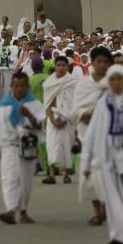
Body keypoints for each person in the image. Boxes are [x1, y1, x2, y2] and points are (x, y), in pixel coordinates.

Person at [83, 65, 123, 244]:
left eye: (119, 79)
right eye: (112, 79)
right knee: (112, 199)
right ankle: (117, 235)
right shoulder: (104, 104)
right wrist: (86, 162)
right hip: (108, 156)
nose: (116, 83)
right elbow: (92, 132)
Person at [0, 71, 45, 225]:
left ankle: (23, 211)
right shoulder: (5, 104)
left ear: (27, 87)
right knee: (9, 178)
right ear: (11, 87)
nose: (19, 89)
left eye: (22, 86)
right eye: (16, 86)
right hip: (9, 146)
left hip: (27, 146)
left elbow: (40, 126)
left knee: (25, 181)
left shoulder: (34, 103)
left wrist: (29, 115)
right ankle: (10, 210)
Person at [75, 47, 113, 226]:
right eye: (99, 61)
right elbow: (75, 108)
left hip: (108, 137)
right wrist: (84, 114)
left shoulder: (114, 83)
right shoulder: (83, 84)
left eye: (106, 62)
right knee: (88, 176)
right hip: (86, 135)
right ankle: (97, 211)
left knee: (107, 175)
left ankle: (107, 208)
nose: (102, 65)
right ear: (93, 63)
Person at [42, 56, 77, 185]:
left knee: (66, 146)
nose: (61, 67)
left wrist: (66, 119)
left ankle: (67, 175)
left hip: (68, 119)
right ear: (55, 67)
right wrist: (52, 120)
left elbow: (75, 103)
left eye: (63, 65)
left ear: (67, 67)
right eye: (59, 65)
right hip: (53, 118)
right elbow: (47, 104)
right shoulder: (49, 83)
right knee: (52, 146)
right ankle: (52, 175)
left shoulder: (73, 82)